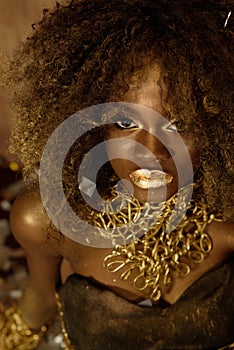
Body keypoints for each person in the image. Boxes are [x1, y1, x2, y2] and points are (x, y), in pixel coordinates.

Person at [0, 0, 233, 349]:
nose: (150, 153)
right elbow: (40, 303)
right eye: (125, 123)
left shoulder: (227, 224)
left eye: (179, 125)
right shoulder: (49, 220)